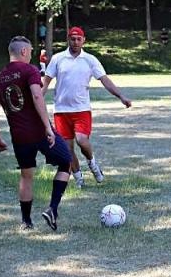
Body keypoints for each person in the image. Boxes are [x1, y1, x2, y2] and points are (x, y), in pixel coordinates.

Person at [0, 36, 73, 231]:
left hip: (19, 136)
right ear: (24, 52)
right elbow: (37, 95)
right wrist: (47, 128)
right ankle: (52, 209)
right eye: (31, 51)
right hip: (38, 131)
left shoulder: (0, 77)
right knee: (66, 162)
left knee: (26, 176)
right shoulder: (29, 70)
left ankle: (26, 222)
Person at [42, 27, 133, 188]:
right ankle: (78, 178)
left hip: (82, 109)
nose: (75, 42)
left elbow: (105, 80)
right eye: (72, 38)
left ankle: (92, 164)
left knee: (82, 140)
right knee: (67, 148)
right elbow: (46, 82)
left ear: (84, 40)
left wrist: (121, 96)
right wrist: (37, 99)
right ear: (68, 40)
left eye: (79, 39)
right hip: (61, 111)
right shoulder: (58, 58)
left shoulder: (90, 60)